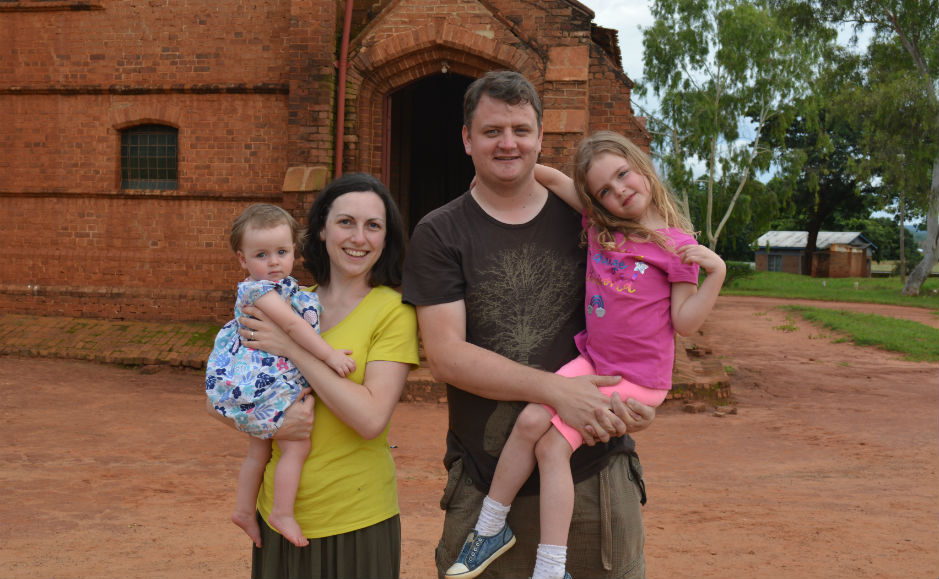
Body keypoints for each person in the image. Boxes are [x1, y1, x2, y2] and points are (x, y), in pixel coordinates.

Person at [401, 70, 656, 579]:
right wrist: (558, 392)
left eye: (521, 129)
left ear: (541, 137)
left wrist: (637, 399)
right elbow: (447, 357)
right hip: (486, 480)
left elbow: (645, 317)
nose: (508, 142)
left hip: (596, 474)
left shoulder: (589, 220)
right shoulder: (440, 232)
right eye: (492, 131)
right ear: (467, 139)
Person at [442, 131, 727, 579]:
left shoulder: (676, 246)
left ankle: (551, 568)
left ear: (641, 166)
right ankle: (490, 527)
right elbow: (554, 178)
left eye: (622, 175)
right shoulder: (600, 226)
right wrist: (491, 177)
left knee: (553, 448)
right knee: (530, 421)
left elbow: (686, 322)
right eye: (604, 191)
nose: (619, 191)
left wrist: (717, 273)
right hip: (593, 361)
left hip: (637, 379)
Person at [210, 173, 420, 578]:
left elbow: (370, 419)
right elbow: (217, 398)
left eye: (373, 226)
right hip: (277, 514)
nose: (359, 237)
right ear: (321, 229)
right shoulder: (288, 302)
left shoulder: (393, 310)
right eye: (346, 222)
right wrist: (272, 420)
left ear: (385, 237)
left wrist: (292, 349)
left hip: (357, 515)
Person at [206, 203, 358, 549]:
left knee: (258, 453)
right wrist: (328, 354)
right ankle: (282, 513)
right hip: (268, 384)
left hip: (256, 380)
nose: (273, 262)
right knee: (296, 445)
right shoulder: (261, 291)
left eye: (282, 252)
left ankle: (245, 509)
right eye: (262, 255)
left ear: (294, 251)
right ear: (243, 260)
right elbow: (292, 326)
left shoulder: (284, 288)